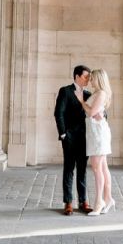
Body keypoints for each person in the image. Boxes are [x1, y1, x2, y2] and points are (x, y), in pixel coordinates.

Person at [73, 68, 114, 216]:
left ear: (99, 79)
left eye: (92, 78)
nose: (90, 80)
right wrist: (94, 111)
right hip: (94, 132)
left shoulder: (101, 93)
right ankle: (108, 198)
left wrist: (81, 101)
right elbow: (94, 112)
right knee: (102, 167)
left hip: (98, 133)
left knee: (96, 168)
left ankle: (99, 202)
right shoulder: (97, 93)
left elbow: (91, 112)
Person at [54, 65, 93, 215]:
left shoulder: (89, 94)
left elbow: (96, 111)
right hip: (69, 138)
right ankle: (68, 202)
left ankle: (83, 202)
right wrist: (63, 134)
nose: (88, 80)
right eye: (86, 77)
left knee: (82, 171)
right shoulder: (65, 91)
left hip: (85, 139)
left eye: (89, 77)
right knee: (69, 169)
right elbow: (59, 113)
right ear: (77, 76)